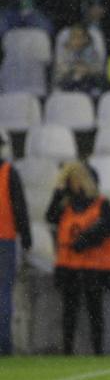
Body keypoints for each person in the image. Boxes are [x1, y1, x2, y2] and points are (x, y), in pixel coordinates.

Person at [46, 162, 110, 356]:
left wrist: (85, 240)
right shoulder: (65, 205)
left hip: (94, 266)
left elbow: (104, 228)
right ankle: (67, 350)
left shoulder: (102, 204)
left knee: (95, 310)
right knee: (69, 311)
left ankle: (98, 350)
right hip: (69, 265)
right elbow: (50, 217)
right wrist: (58, 193)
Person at [0, 132, 33, 355]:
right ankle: (3, 345)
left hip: (6, 239)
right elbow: (19, 207)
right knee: (3, 294)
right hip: (5, 239)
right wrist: (27, 238)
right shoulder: (9, 172)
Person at [54, 24, 105, 94]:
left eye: (79, 37)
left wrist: (88, 69)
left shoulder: (93, 52)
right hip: (67, 87)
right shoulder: (64, 52)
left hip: (88, 88)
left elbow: (100, 69)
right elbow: (59, 72)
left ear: (86, 39)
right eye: (73, 37)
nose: (75, 40)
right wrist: (73, 68)